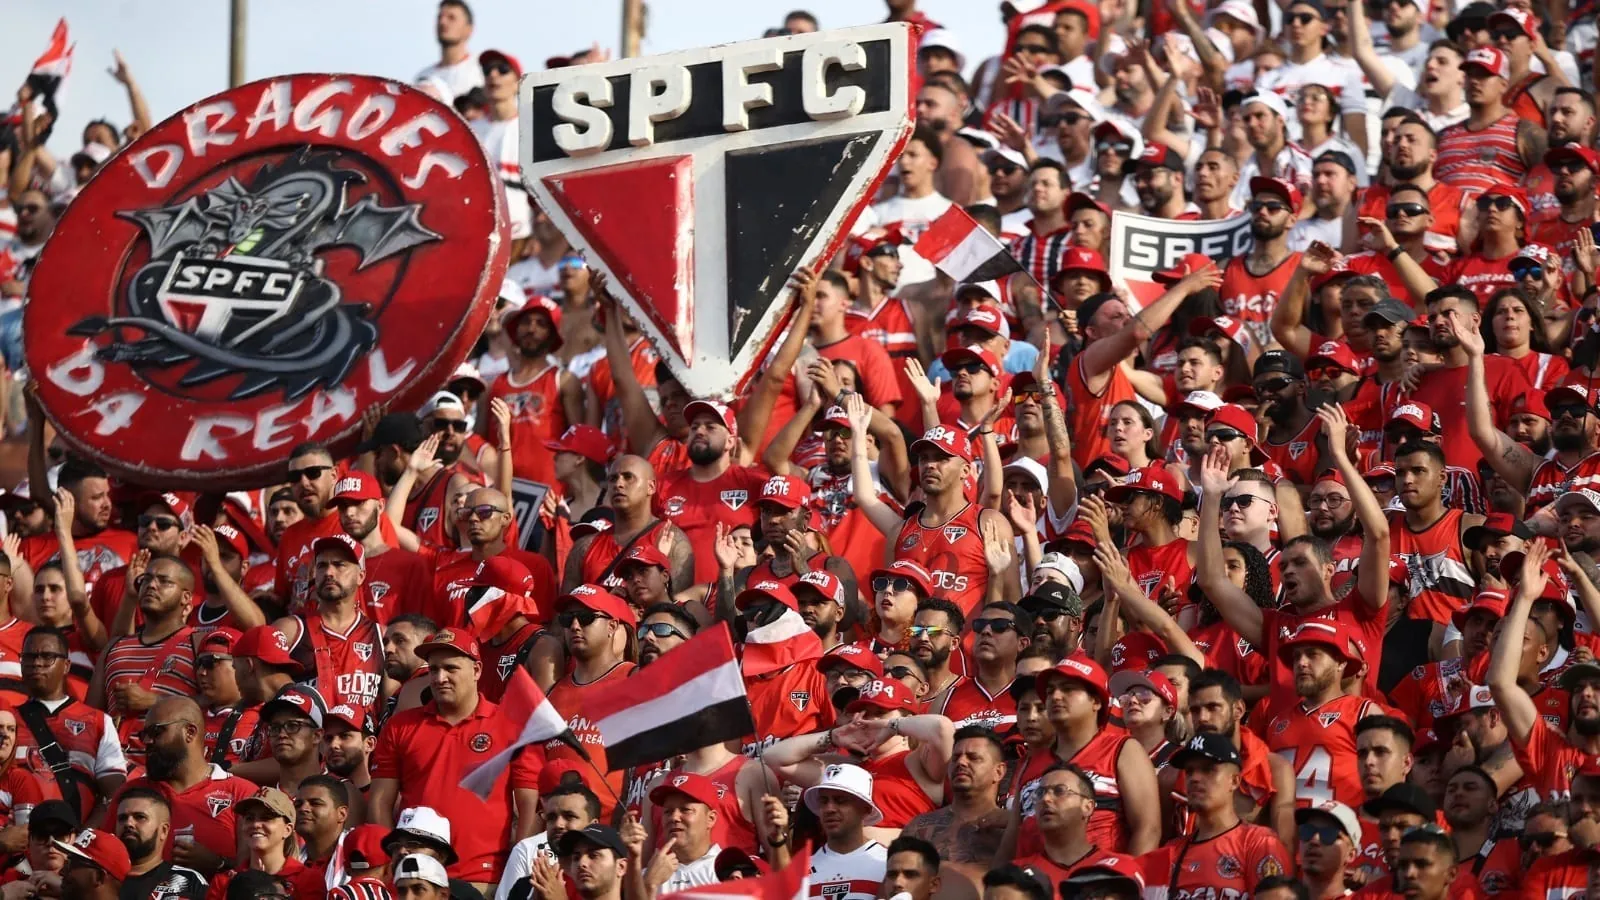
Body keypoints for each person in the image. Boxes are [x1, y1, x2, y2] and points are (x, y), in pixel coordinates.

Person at [369, 629, 538, 887]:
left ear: (477, 670)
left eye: (451, 668)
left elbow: (530, 804)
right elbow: (380, 801)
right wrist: (393, 860)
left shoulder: (513, 725)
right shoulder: (399, 726)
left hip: (484, 878)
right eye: (433, 669)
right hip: (416, 879)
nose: (439, 677)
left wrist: (518, 870)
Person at [805, 764, 888, 900]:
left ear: (866, 808)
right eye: (823, 801)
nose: (829, 809)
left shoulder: (888, 864)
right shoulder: (800, 871)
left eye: (840, 800)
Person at [114, 788, 206, 900]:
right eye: (122, 818)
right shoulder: (98, 877)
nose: (128, 823)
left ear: (164, 830)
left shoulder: (188, 880)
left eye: (140, 817)